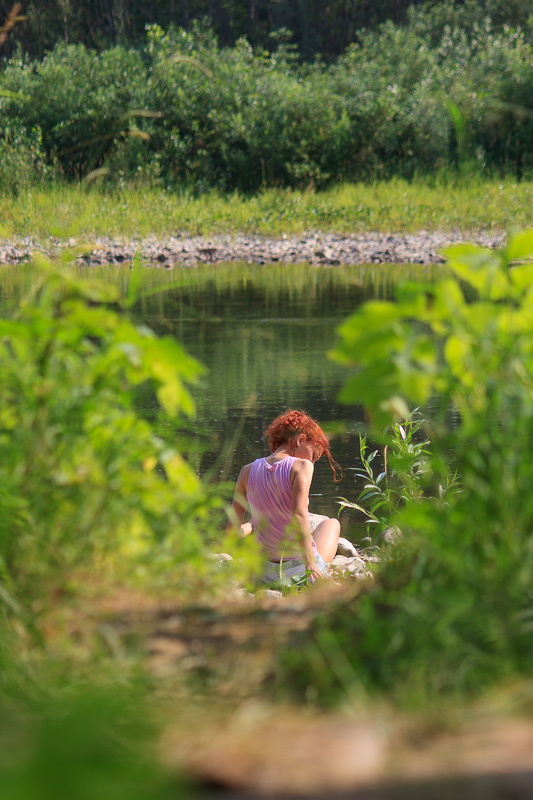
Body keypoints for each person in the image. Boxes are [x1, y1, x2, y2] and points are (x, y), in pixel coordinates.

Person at [226, 409, 342, 585]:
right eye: (313, 456)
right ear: (300, 440)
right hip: (299, 571)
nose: (312, 463)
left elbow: (232, 530)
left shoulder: (246, 471)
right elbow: (299, 515)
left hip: (262, 572)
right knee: (332, 524)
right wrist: (310, 563)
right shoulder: (302, 467)